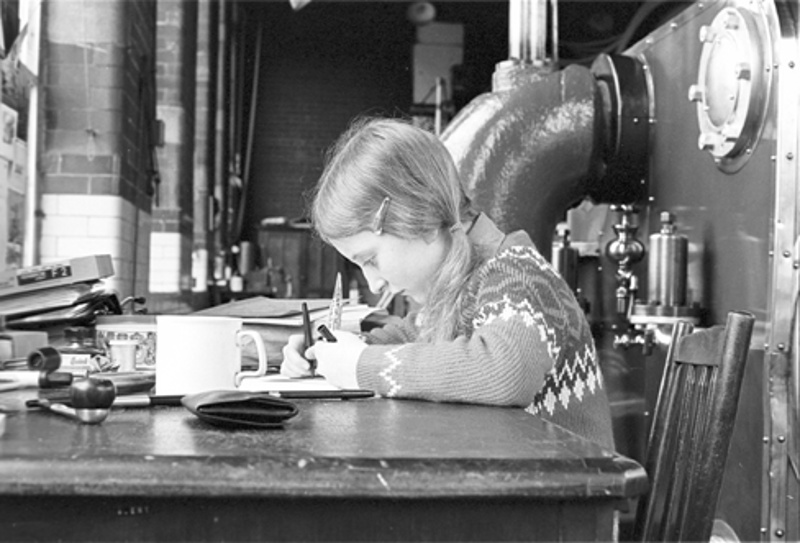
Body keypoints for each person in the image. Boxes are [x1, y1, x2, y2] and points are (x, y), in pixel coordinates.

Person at [281, 116, 615, 449]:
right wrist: (333, 349)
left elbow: (506, 371)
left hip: (573, 480)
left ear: (418, 218)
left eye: (370, 259)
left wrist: (360, 366)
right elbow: (412, 335)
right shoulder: (461, 287)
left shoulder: (517, 274)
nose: (374, 284)